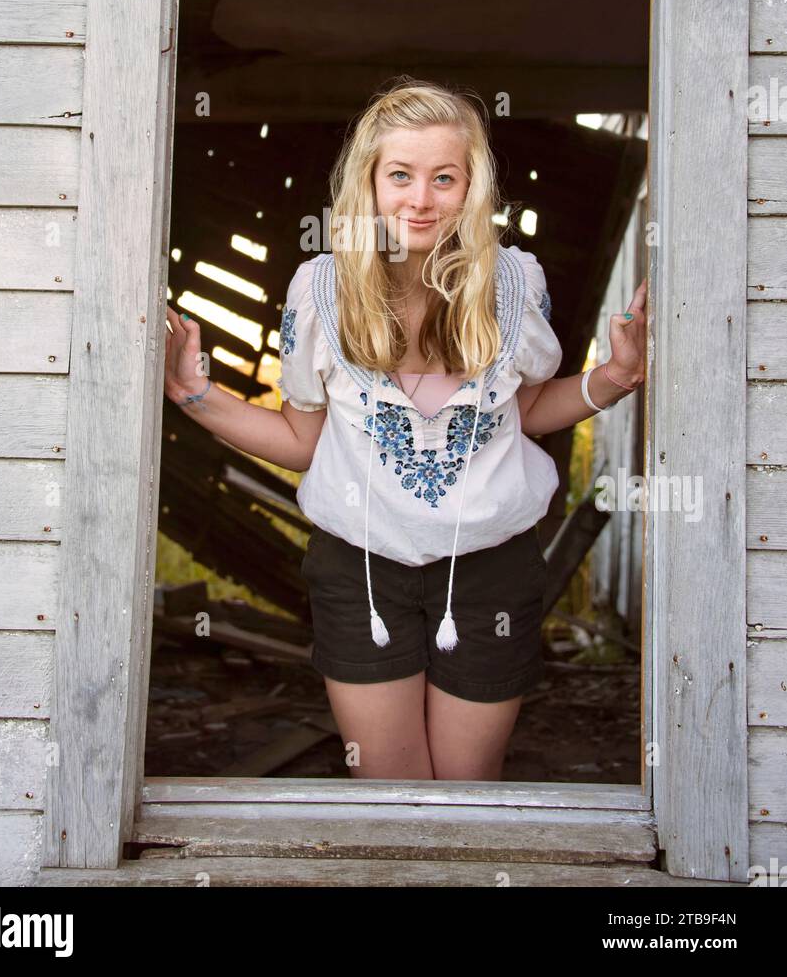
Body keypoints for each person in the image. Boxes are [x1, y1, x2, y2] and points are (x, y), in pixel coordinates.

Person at [164, 77, 646, 782]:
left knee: (465, 791)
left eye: (443, 178)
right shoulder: (321, 291)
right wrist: (193, 394)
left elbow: (529, 413)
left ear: (470, 187)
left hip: (491, 570)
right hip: (359, 571)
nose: (420, 199)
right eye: (400, 175)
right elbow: (302, 442)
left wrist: (616, 378)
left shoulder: (515, 283)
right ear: (369, 182)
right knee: (389, 793)